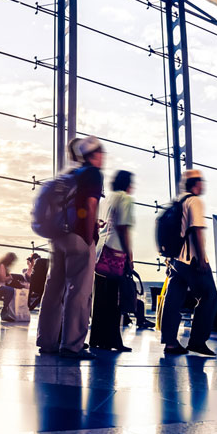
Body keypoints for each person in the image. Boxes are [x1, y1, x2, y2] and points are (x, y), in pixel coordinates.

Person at [37, 136, 104, 359]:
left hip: (58, 237)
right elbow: (90, 204)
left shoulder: (68, 176)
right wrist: (88, 237)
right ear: (93, 155)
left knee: (53, 289)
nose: (103, 158)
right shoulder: (92, 173)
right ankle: (71, 345)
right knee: (79, 292)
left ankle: (46, 341)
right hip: (78, 237)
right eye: (100, 153)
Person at [160, 169, 217, 356]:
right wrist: (201, 259)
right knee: (210, 296)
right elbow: (196, 231)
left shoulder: (178, 202)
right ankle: (197, 341)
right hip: (190, 259)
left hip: (175, 260)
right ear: (195, 183)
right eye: (201, 182)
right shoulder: (195, 201)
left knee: (173, 299)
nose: (204, 185)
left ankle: (170, 342)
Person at [90, 170, 135, 352]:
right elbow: (123, 228)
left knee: (100, 297)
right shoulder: (125, 198)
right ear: (127, 184)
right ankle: (112, 340)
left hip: (100, 250)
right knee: (114, 299)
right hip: (115, 251)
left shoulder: (106, 198)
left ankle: (97, 338)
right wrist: (129, 255)